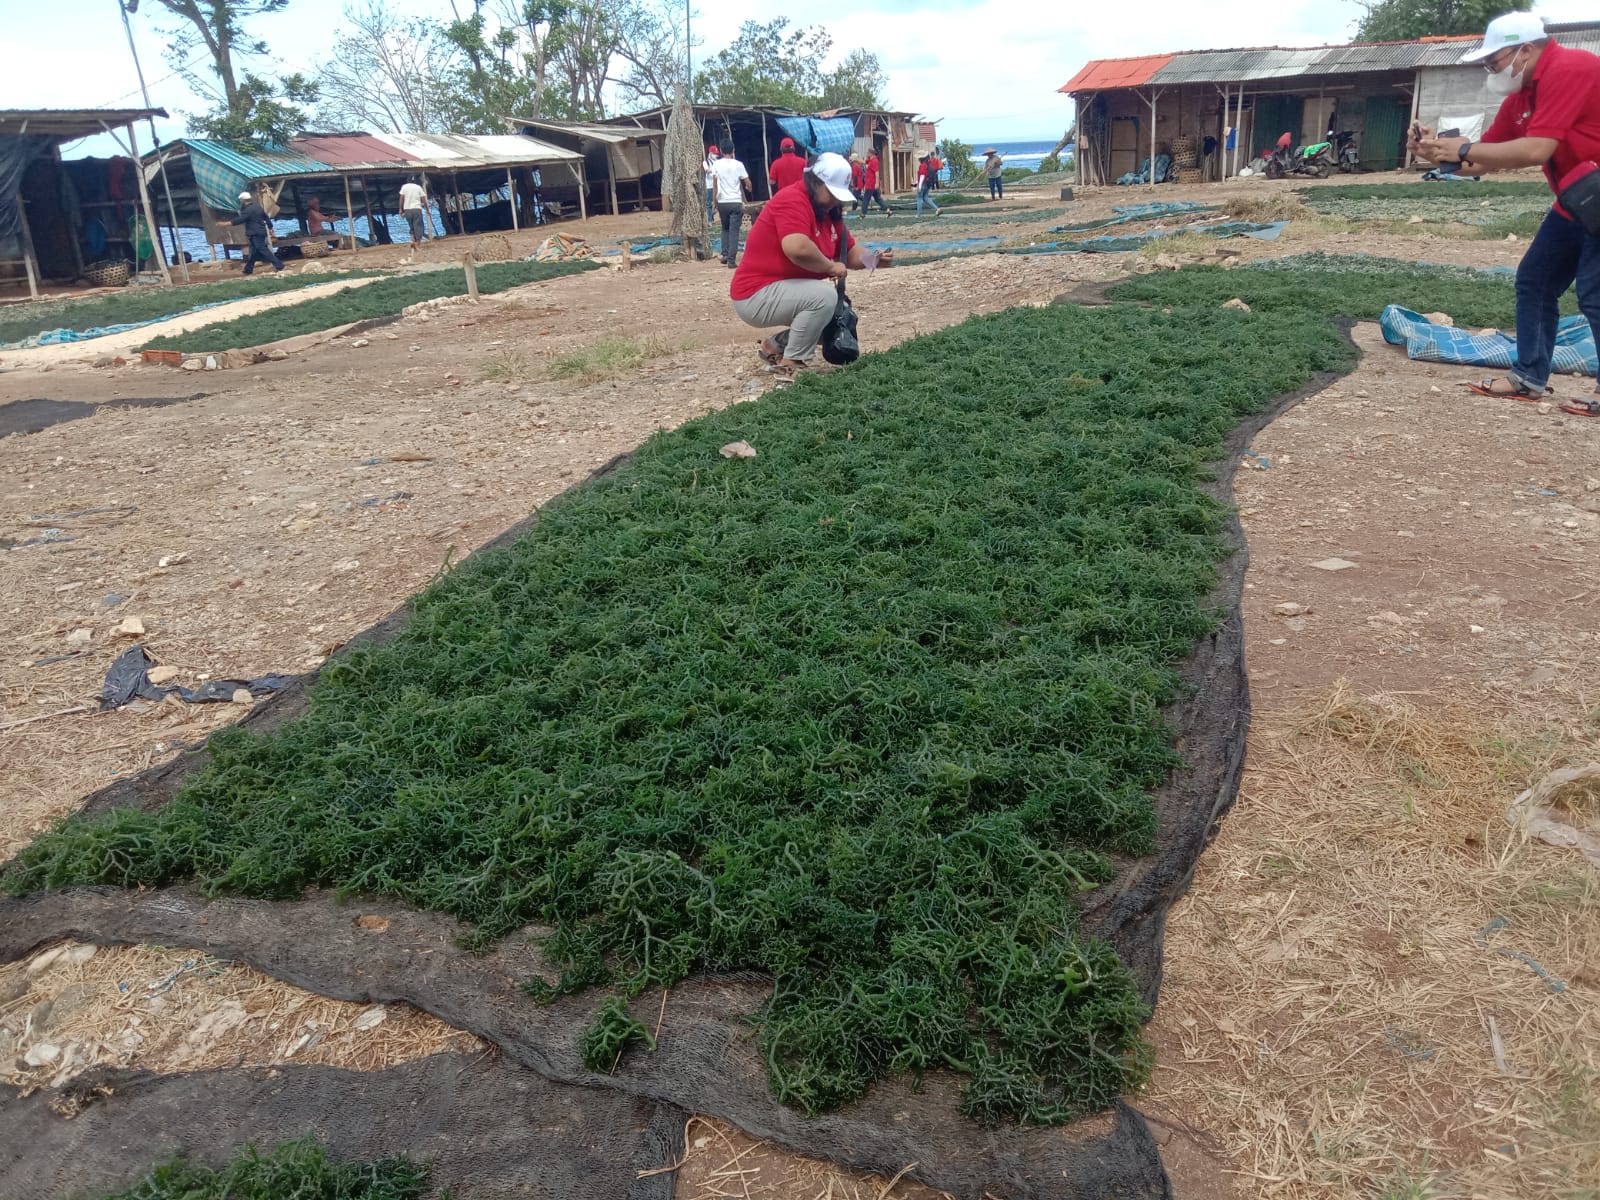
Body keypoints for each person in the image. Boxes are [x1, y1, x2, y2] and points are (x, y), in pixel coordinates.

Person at [1413, 12, 1600, 417]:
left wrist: (1462, 149)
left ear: (1525, 50)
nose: (1490, 70)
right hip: (1577, 199)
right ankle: (1529, 377)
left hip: (1595, 192)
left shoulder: (1571, 68)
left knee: (1594, 293)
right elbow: (1483, 161)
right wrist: (1435, 154)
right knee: (1535, 280)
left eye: (1493, 61)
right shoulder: (1521, 97)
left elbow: (1535, 151)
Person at [731, 151, 893, 376]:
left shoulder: (827, 211)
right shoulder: (792, 200)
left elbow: (849, 250)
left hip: (784, 292)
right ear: (814, 182)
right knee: (824, 297)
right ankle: (793, 362)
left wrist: (872, 259)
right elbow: (796, 247)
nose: (836, 200)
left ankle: (776, 345)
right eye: (831, 193)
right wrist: (829, 267)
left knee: (839, 315)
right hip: (756, 294)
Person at [711, 148, 752, 267]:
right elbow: (747, 182)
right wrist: (749, 188)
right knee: (734, 231)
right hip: (735, 202)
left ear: (722, 151)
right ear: (733, 150)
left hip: (722, 202)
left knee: (725, 228)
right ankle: (731, 261)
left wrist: (714, 202)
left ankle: (724, 254)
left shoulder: (716, 164)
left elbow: (715, 185)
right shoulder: (738, 164)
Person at [231, 190, 284, 275]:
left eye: (241, 200)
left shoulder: (247, 210)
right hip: (260, 232)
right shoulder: (257, 207)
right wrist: (270, 227)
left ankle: (279, 265)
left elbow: (241, 219)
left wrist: (229, 223)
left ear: (243, 200)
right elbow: (266, 217)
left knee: (262, 249)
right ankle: (248, 270)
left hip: (255, 233)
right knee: (253, 252)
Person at [858, 151, 893, 218]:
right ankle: (888, 210)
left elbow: (877, 173)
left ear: (870, 154)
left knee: (866, 199)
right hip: (872, 184)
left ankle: (863, 213)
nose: (867, 154)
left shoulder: (874, 161)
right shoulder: (871, 160)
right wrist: (856, 159)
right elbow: (864, 162)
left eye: (867, 153)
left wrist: (876, 183)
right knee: (878, 199)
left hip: (871, 184)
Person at [399, 176, 429, 243]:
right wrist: (427, 209)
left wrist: (400, 209)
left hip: (407, 209)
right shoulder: (418, 187)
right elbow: (423, 199)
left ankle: (413, 240)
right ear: (415, 181)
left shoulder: (404, 187)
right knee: (418, 225)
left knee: (411, 225)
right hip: (417, 208)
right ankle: (418, 241)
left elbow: (401, 198)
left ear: (407, 181)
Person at [703, 145, 720, 231]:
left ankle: (719, 218)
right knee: (709, 203)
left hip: (717, 185)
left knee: (718, 201)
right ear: (710, 153)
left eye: (716, 154)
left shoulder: (718, 161)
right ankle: (710, 220)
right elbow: (707, 170)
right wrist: (714, 170)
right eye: (714, 153)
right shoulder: (705, 162)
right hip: (709, 186)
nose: (715, 155)